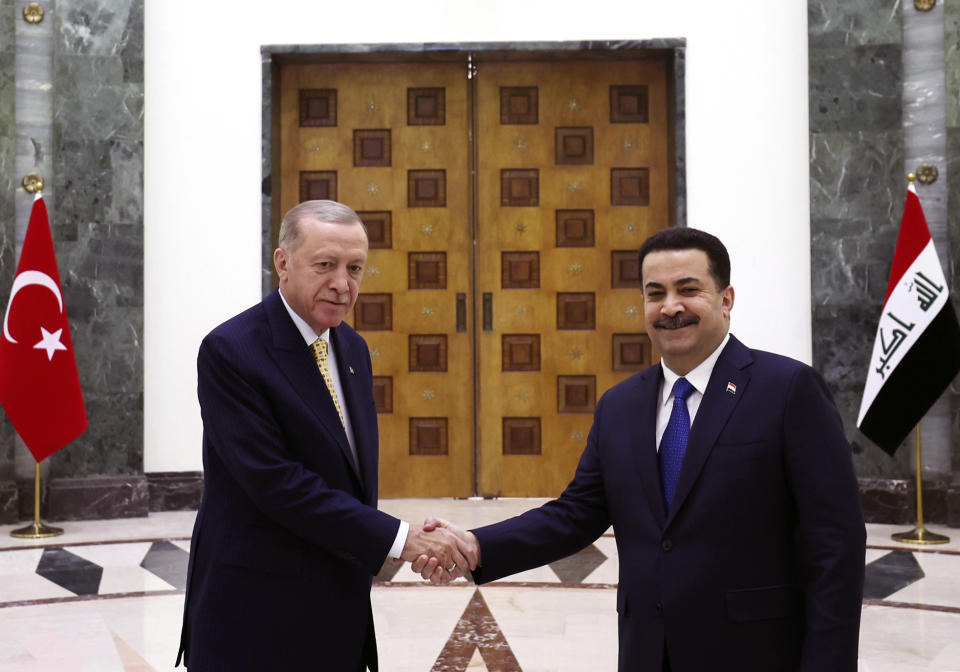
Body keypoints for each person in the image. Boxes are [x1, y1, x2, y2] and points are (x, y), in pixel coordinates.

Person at [418, 227, 866, 671]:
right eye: (656, 294)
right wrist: (477, 545)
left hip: (755, 652)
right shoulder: (621, 406)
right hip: (649, 652)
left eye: (688, 290)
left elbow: (836, 546)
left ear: (726, 299)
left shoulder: (788, 390)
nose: (671, 307)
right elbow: (576, 515)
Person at [176, 200, 477, 671]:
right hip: (254, 617)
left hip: (337, 610)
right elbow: (277, 483)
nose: (343, 284)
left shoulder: (351, 347)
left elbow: (345, 473)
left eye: (355, 268)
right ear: (282, 263)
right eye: (325, 265)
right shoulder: (231, 351)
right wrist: (401, 539)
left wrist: (383, 546)